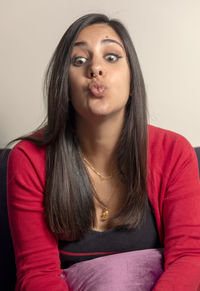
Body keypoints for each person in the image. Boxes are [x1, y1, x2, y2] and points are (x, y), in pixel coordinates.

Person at [7, 13, 200, 291]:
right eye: (79, 60)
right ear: (65, 86)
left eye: (111, 57)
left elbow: (188, 258)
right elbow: (37, 275)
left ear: (133, 82)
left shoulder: (174, 153)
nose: (95, 68)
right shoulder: (29, 159)